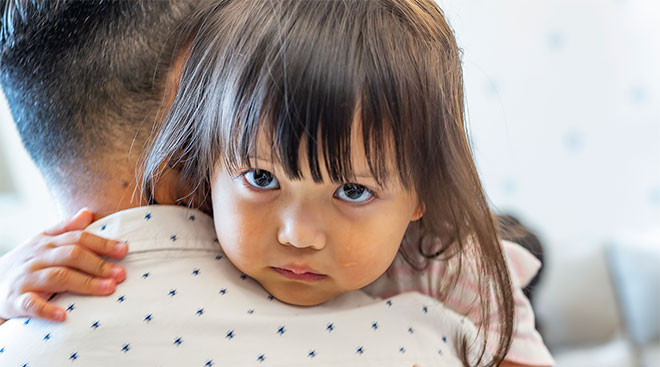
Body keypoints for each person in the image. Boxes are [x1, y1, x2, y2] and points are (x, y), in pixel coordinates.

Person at [0, 0, 554, 366]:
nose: (298, 233)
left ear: (421, 194)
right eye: (262, 178)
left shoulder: (455, 270)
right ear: (201, 149)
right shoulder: (161, 234)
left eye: (353, 191)